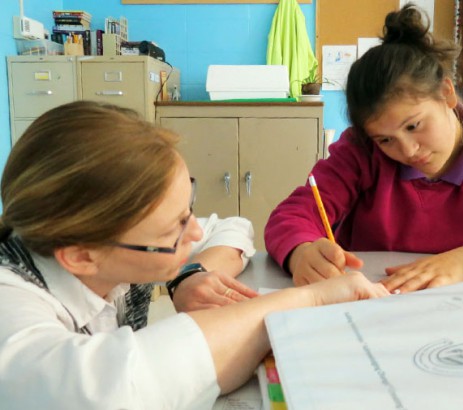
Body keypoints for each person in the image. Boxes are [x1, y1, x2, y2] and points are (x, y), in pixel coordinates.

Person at [0, 101, 389, 409]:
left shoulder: (107, 240)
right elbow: (107, 390)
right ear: (81, 257)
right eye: (175, 228)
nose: (196, 231)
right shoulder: (11, 301)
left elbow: (232, 227)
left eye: (189, 208)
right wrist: (308, 298)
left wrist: (188, 273)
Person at [265, 4, 463, 293]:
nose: (407, 150)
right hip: (375, 307)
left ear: (446, 93)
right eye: (385, 139)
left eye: (413, 125)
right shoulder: (360, 152)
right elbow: (292, 216)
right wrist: (301, 250)